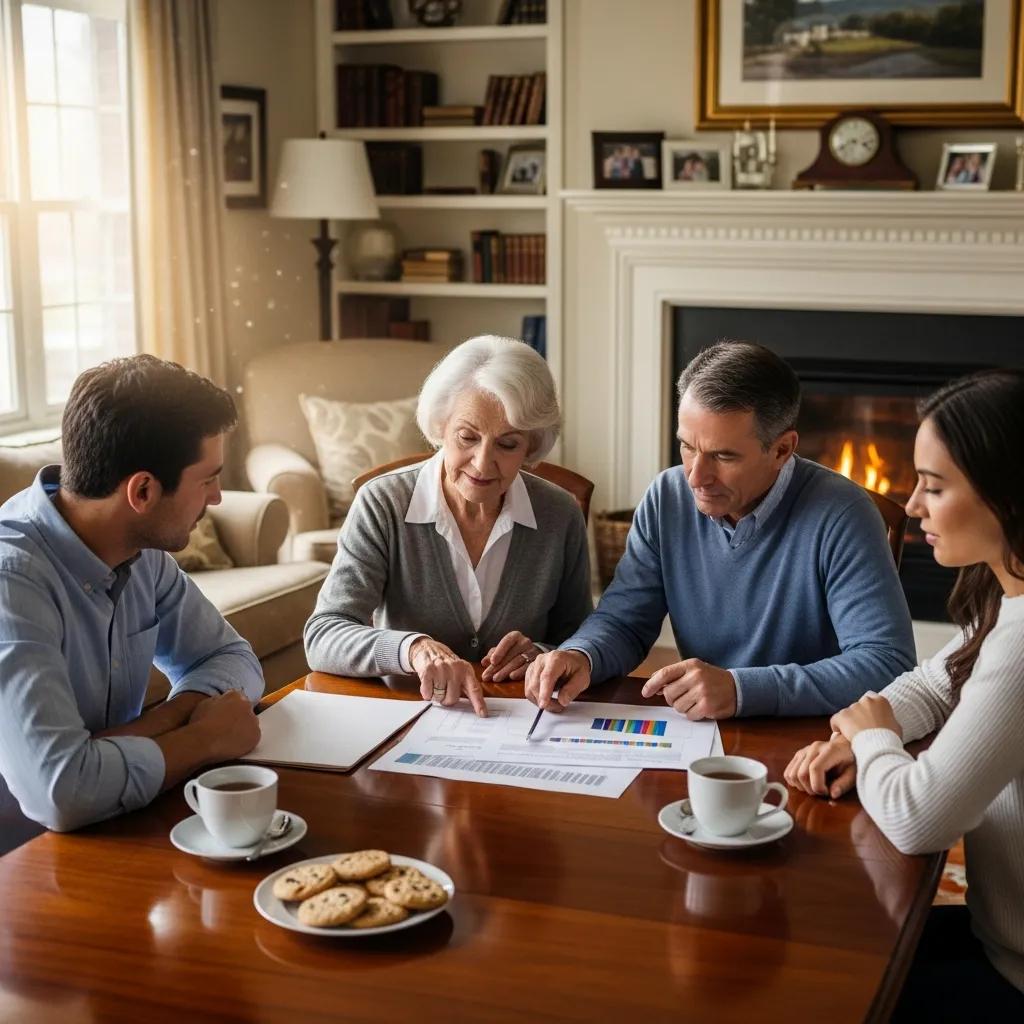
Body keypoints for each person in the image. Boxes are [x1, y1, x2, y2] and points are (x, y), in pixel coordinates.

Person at [785, 369, 1024, 1018]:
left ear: (1007, 496)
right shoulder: (1007, 599)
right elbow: (931, 681)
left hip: (1014, 975)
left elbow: (920, 819)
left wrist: (873, 739)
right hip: (997, 941)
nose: (912, 505)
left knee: (811, 985)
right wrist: (861, 739)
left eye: (934, 486)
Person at [526, 340, 915, 720]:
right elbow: (625, 621)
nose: (696, 477)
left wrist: (741, 689)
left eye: (723, 456)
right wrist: (582, 655)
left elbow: (886, 664)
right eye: (687, 447)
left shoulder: (844, 514)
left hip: (810, 740)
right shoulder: (666, 496)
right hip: (702, 733)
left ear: (782, 449)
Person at [0, 355, 264, 843]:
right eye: (207, 479)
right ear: (142, 490)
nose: (217, 498)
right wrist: (203, 738)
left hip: (113, 823)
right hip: (21, 853)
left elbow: (231, 657)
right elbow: (60, 792)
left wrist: (160, 719)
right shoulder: (11, 581)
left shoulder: (138, 551)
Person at [304, 335, 592, 717]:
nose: (482, 463)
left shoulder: (559, 513)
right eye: (467, 437)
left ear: (532, 445)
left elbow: (583, 637)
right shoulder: (383, 504)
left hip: (520, 724)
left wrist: (542, 653)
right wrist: (414, 649)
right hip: (402, 718)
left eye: (507, 444)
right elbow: (324, 634)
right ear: (441, 426)